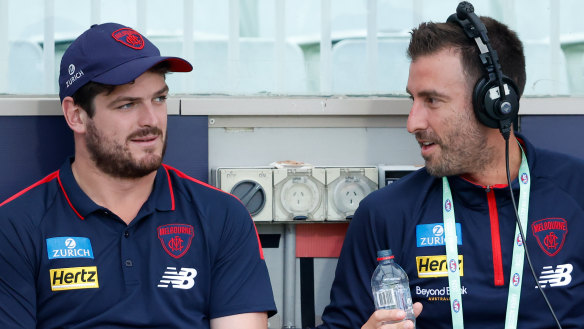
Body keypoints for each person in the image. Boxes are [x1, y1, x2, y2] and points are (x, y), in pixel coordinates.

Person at [318, 3, 584, 329]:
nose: (412, 122)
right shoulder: (384, 214)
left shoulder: (577, 191)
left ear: (495, 104)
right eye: (412, 100)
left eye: (432, 100)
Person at [0, 23, 276, 328]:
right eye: (127, 104)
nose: (151, 120)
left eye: (159, 99)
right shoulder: (15, 226)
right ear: (76, 115)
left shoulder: (222, 215)